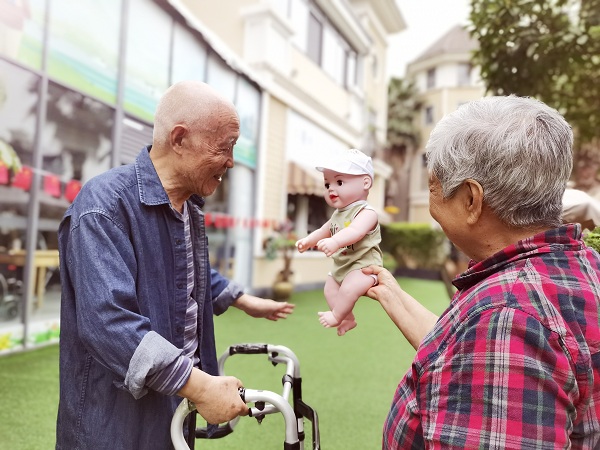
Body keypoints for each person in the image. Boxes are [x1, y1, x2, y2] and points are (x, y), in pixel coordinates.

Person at [56, 80, 292, 450]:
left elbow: (190, 277)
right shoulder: (103, 205)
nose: (230, 161)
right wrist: (200, 386)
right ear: (179, 139)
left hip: (174, 403)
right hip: (115, 419)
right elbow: (108, 322)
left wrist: (242, 299)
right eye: (224, 147)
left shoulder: (188, 208)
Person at [363, 95, 600, 449]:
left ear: (471, 200)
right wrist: (391, 293)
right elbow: (471, 353)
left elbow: (497, 339)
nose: (431, 203)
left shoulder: (505, 317)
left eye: (433, 187)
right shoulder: (580, 265)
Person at [296, 148, 382, 336]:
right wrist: (308, 241)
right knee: (330, 289)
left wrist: (334, 242)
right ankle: (348, 318)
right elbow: (322, 230)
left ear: (365, 182)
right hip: (343, 266)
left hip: (364, 266)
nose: (331, 189)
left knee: (349, 288)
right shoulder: (338, 214)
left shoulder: (367, 213)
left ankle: (336, 315)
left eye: (339, 182)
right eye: (327, 184)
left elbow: (355, 231)